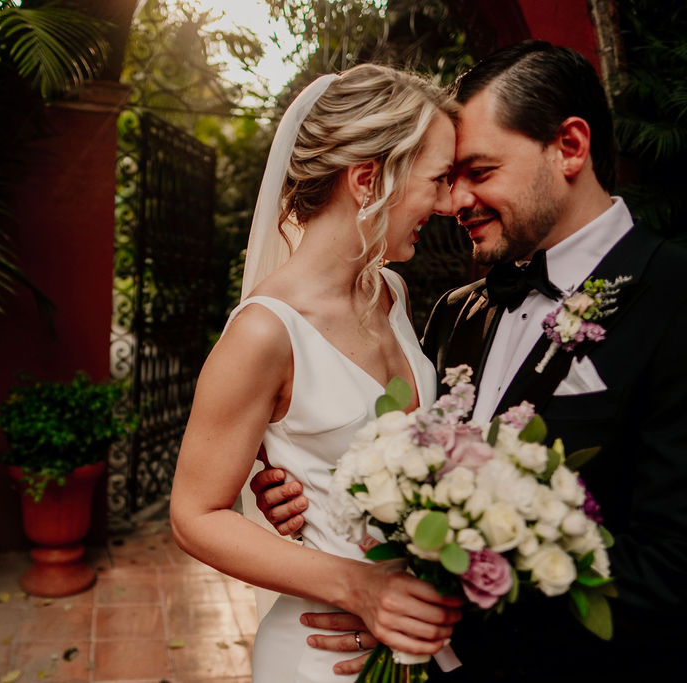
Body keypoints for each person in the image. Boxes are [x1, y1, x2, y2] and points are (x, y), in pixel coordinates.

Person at [256, 41, 687, 680]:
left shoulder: (674, 298)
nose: (455, 202)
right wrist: (308, 490)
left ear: (570, 147)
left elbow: (673, 570)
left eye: (479, 172)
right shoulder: (458, 313)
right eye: (449, 177)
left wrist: (447, 593)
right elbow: (400, 462)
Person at [168, 64, 463, 683]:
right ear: (367, 180)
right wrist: (359, 586)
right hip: (321, 653)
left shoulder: (391, 293)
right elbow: (195, 514)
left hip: (417, 639)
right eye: (436, 180)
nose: (447, 203)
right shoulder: (263, 333)